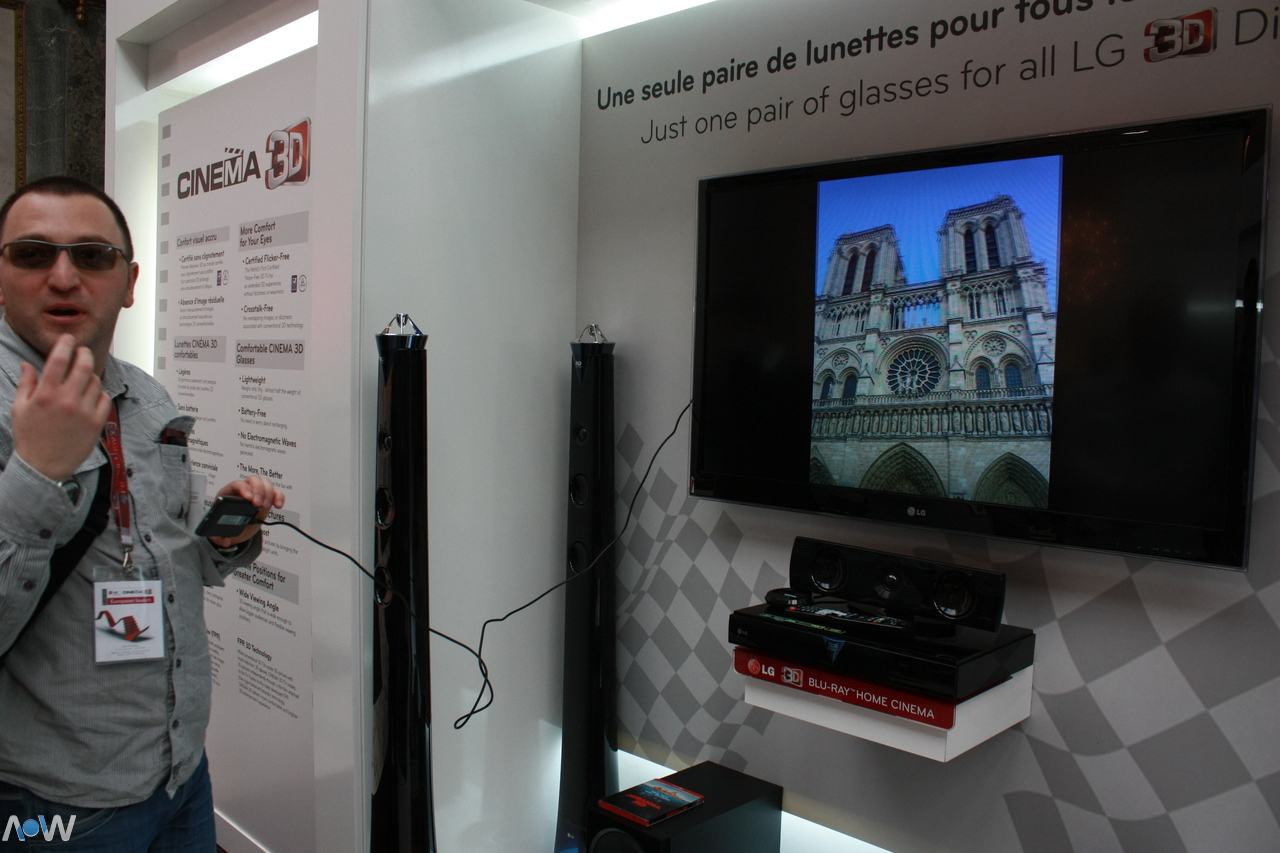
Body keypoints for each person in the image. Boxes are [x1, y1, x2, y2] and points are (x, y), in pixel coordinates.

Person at [0, 176, 284, 851]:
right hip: (53, 801)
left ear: (128, 283)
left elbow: (171, 554)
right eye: (33, 254)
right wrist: (37, 473)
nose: (63, 276)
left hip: (178, 774)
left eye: (92, 256)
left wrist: (224, 537)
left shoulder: (147, 397)